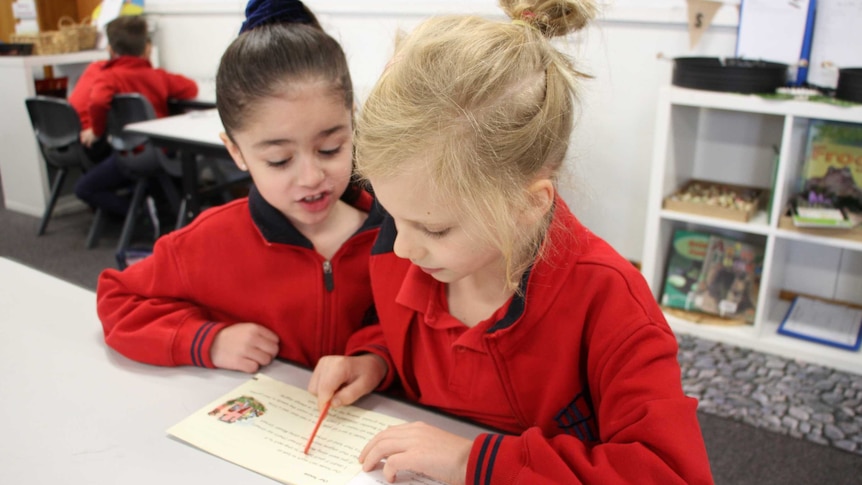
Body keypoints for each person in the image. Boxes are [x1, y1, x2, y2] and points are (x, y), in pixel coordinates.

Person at [307, 1, 715, 484]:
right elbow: (402, 338)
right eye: (393, 217)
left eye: (435, 230)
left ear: (528, 205)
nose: (401, 249)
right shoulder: (405, 246)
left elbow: (671, 474)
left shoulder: (609, 301)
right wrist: (374, 359)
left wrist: (472, 462)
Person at [96, 0, 383, 374]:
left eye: (330, 149)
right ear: (236, 152)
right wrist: (206, 341)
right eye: (279, 160)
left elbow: (418, 331)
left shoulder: (399, 238)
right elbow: (117, 297)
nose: (312, 177)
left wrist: (375, 359)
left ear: (352, 124)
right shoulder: (208, 241)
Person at [70, 15, 198, 219]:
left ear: (111, 50)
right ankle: (151, 208)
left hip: (126, 156)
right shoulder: (157, 76)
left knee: (84, 189)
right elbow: (191, 88)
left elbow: (97, 101)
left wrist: (96, 131)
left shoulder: (108, 77)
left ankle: (138, 213)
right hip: (160, 153)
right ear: (147, 48)